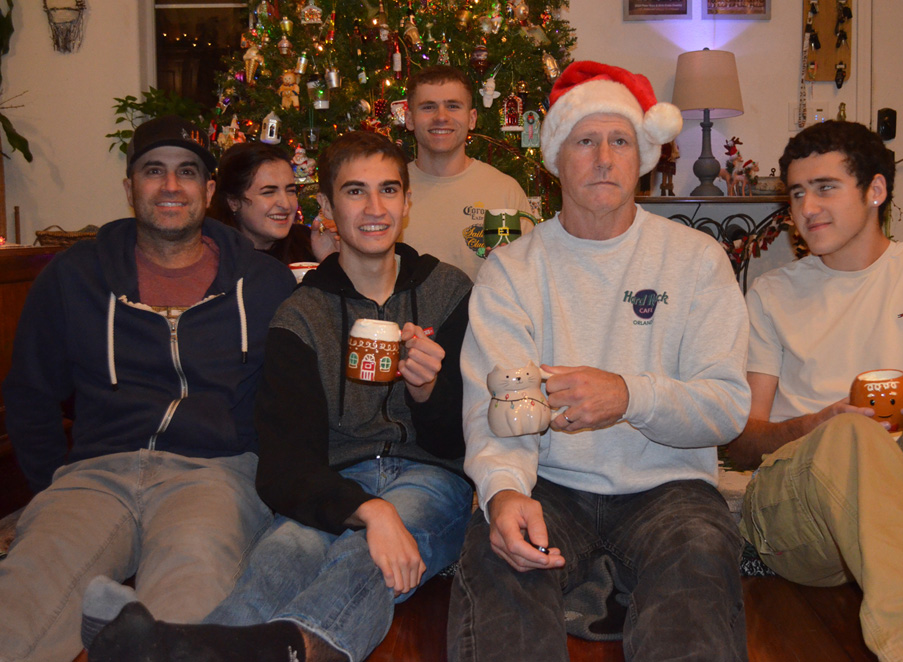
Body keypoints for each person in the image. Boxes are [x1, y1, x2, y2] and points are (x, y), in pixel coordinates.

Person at [85, 131, 474, 662]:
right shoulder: (301, 314)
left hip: (431, 479)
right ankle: (189, 649)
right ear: (327, 209)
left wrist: (428, 391)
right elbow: (285, 464)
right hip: (334, 481)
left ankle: (263, 648)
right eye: (355, 191)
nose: (374, 208)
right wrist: (370, 509)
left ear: (407, 203)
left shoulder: (448, 291)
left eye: (388, 190)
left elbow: (460, 441)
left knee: (369, 557)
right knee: (278, 558)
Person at [449, 61, 751, 661]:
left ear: (643, 157)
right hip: (549, 482)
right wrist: (503, 491)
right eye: (585, 141)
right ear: (556, 158)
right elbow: (495, 408)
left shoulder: (697, 260)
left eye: (621, 141)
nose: (605, 159)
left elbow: (726, 408)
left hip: (670, 488)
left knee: (699, 565)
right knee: (496, 556)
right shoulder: (512, 271)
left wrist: (629, 396)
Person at [0, 115, 296, 662]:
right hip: (96, 474)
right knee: (24, 600)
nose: (170, 185)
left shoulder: (263, 283)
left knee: (186, 612)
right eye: (154, 170)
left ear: (209, 189)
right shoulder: (74, 275)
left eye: (187, 172)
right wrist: (50, 483)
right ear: (130, 185)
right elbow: (30, 392)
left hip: (215, 475)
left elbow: (290, 399)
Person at [727, 121, 903, 662]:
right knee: (850, 434)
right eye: (796, 194)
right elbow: (740, 442)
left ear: (875, 190)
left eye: (825, 188)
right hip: (800, 512)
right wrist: (814, 426)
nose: (807, 208)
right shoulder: (772, 294)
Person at [402, 65, 532, 280]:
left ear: (472, 119)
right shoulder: (389, 191)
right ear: (409, 119)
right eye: (428, 107)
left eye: (453, 106)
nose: (441, 117)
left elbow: (531, 277)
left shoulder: (505, 191)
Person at [208, 141, 338, 265]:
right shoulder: (213, 257)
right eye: (268, 192)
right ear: (233, 202)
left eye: (290, 191)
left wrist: (329, 262)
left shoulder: (308, 243)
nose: (286, 204)